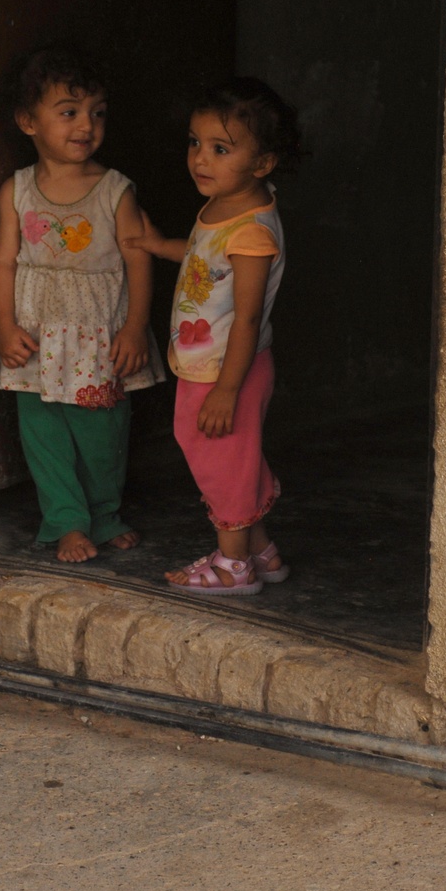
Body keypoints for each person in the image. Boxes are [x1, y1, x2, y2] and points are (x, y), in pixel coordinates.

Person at [0, 46, 166, 563]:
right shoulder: (17, 190)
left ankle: (105, 514)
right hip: (35, 334)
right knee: (43, 434)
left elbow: (139, 261)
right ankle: (65, 522)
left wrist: (135, 328)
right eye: (69, 112)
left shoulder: (114, 191)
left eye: (97, 112)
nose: (86, 125)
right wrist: (4, 326)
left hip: (98, 335)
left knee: (101, 435)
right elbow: (4, 262)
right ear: (29, 121)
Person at [127, 76, 301, 595]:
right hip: (206, 365)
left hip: (230, 371)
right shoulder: (226, 207)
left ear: (262, 163)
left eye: (221, 149)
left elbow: (246, 320)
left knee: (223, 464)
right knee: (232, 459)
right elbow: (207, 262)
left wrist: (227, 389)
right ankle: (262, 551)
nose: (201, 158)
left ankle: (234, 568)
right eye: (195, 143)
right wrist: (161, 245)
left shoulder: (252, 233)